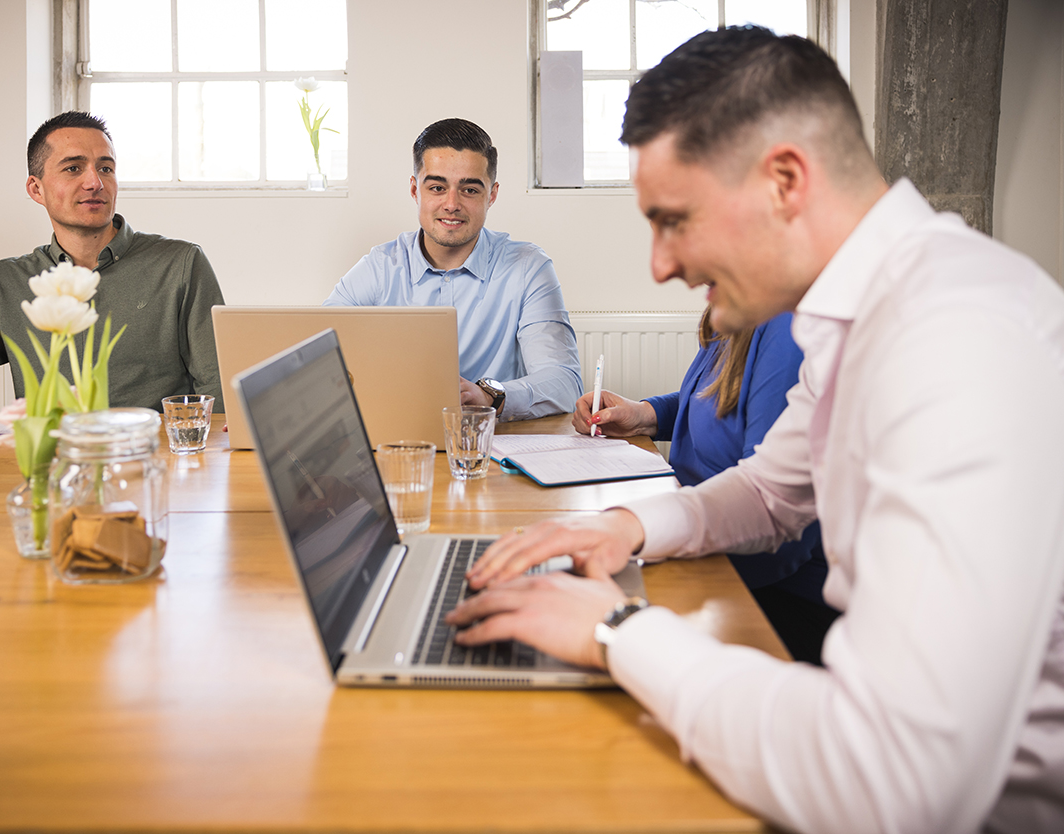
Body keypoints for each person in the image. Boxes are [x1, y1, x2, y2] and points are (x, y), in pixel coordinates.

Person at [447, 26, 1064, 833]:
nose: (660, 265)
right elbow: (773, 491)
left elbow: (893, 784)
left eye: (675, 220)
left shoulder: (958, 335)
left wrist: (614, 630)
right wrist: (624, 527)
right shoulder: (864, 312)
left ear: (785, 181)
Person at [0, 111, 225, 456]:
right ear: (36, 189)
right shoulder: (5, 284)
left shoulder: (181, 263)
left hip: (158, 466)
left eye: (106, 168)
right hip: (52, 475)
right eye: (73, 168)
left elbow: (219, 389)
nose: (95, 182)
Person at [573, 306, 837, 665]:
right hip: (707, 550)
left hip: (768, 592)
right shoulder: (733, 312)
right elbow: (718, 399)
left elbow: (774, 524)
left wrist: (651, 549)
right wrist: (646, 414)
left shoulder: (786, 328)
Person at [324, 118, 581, 421]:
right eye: (437, 187)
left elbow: (564, 382)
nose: (451, 204)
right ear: (415, 190)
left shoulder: (528, 268)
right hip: (401, 434)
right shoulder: (379, 267)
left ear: (492, 195)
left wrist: (489, 395)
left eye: (469, 190)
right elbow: (319, 357)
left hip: (492, 440)